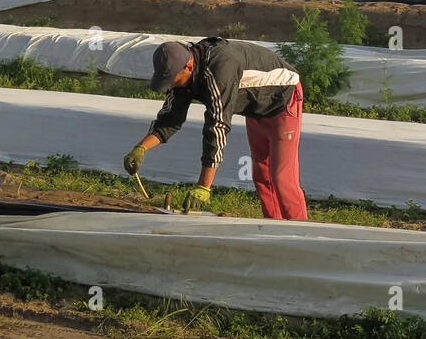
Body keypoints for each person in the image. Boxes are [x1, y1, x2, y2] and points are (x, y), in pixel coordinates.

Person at [122, 37, 307, 219]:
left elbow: (217, 127)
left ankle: (302, 232)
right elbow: (170, 118)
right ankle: (274, 228)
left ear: (188, 67)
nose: (171, 85)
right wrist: (141, 148)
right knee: (261, 174)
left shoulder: (219, 69)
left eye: (172, 79)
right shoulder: (183, 74)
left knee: (281, 178)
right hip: (256, 109)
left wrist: (203, 187)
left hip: (283, 100)